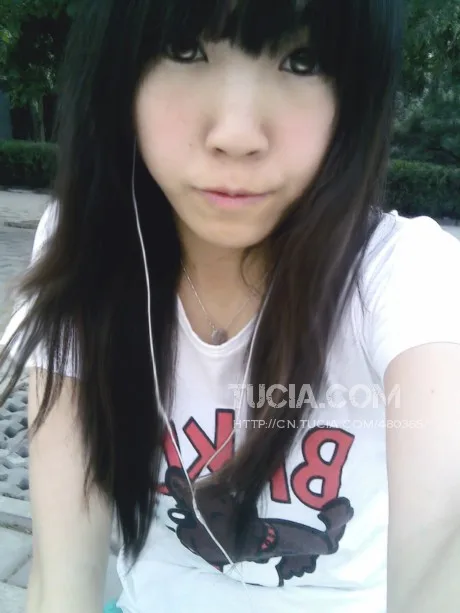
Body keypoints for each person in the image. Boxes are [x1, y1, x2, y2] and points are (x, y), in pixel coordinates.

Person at [1, 1, 460, 612]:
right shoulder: (89, 249)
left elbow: (442, 542)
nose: (237, 135)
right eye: (185, 51)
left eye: (303, 61)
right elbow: (62, 579)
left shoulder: (404, 275)